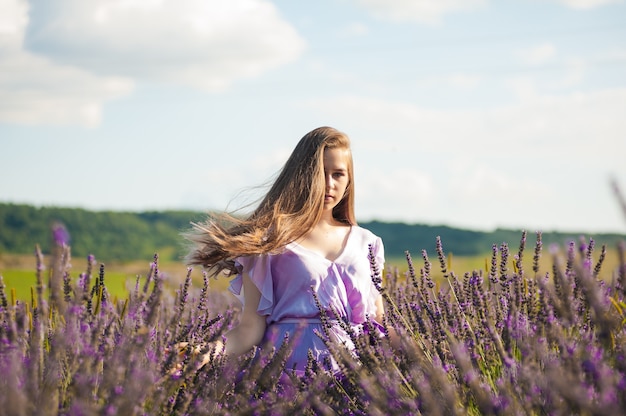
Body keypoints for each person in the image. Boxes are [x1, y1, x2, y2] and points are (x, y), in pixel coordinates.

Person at [182, 126, 386, 376]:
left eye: (338, 174)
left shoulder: (367, 242)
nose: (329, 184)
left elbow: (377, 320)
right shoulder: (270, 243)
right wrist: (210, 350)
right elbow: (249, 329)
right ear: (301, 176)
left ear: (349, 180)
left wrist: (425, 359)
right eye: (320, 174)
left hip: (353, 378)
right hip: (286, 376)